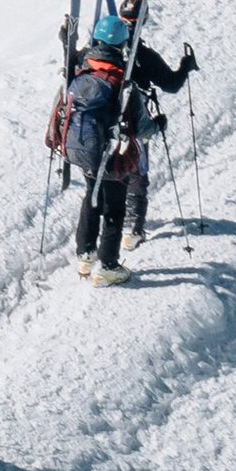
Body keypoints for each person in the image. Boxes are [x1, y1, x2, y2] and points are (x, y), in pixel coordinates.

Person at [113, 0, 197, 248]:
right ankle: (132, 228)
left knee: (112, 169)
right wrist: (186, 66)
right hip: (138, 120)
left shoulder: (104, 46)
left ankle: (111, 221)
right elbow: (171, 84)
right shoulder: (143, 54)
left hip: (107, 118)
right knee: (137, 169)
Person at [61, 15, 140, 283]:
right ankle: (108, 266)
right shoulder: (122, 79)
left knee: (92, 197)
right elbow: (140, 125)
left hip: (81, 148)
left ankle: (85, 255)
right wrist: (158, 124)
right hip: (111, 151)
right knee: (114, 206)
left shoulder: (83, 68)